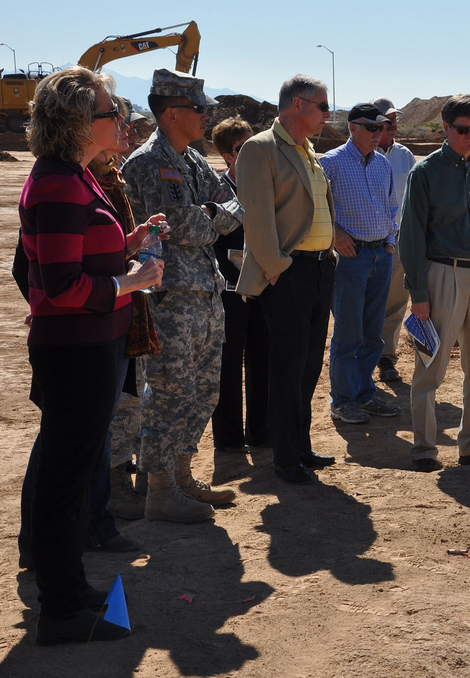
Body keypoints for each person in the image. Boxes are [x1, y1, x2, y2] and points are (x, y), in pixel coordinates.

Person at [20, 66, 163, 643]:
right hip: (74, 354)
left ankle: (71, 589)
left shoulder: (76, 177)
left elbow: (84, 255)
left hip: (93, 349)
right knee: (65, 479)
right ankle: (60, 610)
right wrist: (130, 283)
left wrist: (127, 246)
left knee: (76, 475)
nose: (121, 120)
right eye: (112, 112)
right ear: (79, 121)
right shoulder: (56, 183)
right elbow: (61, 286)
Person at [123, 68, 241, 520]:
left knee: (202, 394)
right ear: (172, 113)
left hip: (206, 294)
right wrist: (209, 219)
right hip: (169, 298)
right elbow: (181, 225)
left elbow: (235, 206)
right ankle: (158, 491)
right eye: (199, 109)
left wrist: (206, 218)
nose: (208, 115)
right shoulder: (148, 163)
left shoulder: (191, 159)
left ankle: (183, 478)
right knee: (169, 395)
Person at [235, 75, 337, 485]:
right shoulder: (260, 149)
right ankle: (284, 457)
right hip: (289, 274)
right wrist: (277, 268)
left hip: (320, 270)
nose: (328, 114)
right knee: (287, 367)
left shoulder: (308, 149)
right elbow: (256, 218)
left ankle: (300, 445)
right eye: (323, 107)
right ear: (297, 105)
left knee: (310, 366)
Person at [398, 94, 470, 472]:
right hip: (441, 275)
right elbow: (410, 237)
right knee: (431, 368)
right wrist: (419, 294)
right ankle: (425, 449)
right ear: (445, 128)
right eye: (463, 130)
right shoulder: (424, 172)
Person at [320, 103, 401, 425]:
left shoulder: (382, 164)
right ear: (352, 128)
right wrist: (335, 234)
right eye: (371, 127)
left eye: (380, 128)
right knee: (348, 332)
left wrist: (390, 243)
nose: (377, 133)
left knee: (373, 333)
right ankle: (342, 399)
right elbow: (316, 208)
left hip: (380, 255)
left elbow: (392, 207)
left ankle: (366, 393)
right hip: (350, 259)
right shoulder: (331, 163)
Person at [209, 115, 270, 453]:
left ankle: (261, 433)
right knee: (228, 364)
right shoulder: (216, 189)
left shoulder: (266, 183)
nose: (250, 152)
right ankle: (229, 440)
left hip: (263, 284)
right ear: (227, 156)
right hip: (229, 290)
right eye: (242, 148)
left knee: (263, 359)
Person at [371, 97, 417, 384]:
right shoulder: (361, 153)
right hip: (366, 240)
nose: (394, 125)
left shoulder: (405, 156)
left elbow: (413, 198)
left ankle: (386, 357)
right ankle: (361, 358)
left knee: (396, 301)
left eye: (395, 121)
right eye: (388, 121)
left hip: (398, 239)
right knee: (366, 300)